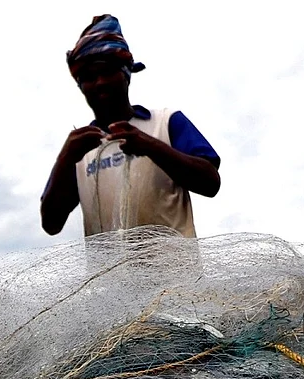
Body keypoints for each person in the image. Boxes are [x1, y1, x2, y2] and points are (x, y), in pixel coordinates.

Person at [41, 15, 221, 238]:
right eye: (88, 77)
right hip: (109, 274)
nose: (100, 82)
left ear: (126, 73)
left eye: (107, 72)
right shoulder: (80, 150)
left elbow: (210, 183)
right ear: (80, 86)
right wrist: (65, 159)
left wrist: (150, 146)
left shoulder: (166, 122)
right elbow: (51, 223)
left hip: (177, 272)